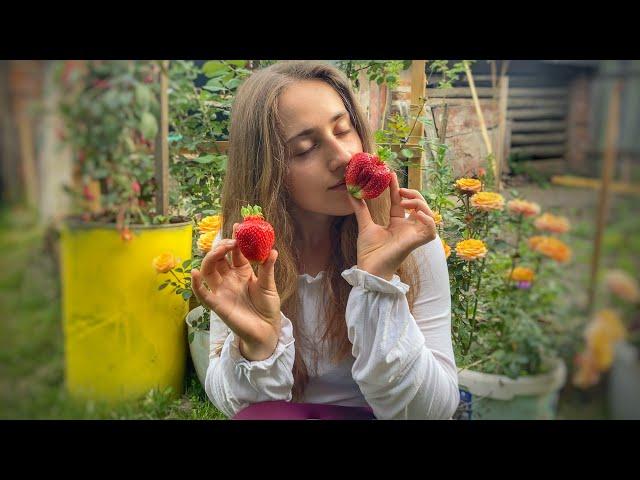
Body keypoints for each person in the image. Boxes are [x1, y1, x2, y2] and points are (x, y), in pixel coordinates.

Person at [190, 61, 459, 420]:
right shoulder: (244, 250)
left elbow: (435, 411)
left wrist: (380, 284)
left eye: (344, 130)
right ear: (266, 170)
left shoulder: (408, 241)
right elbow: (239, 407)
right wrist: (258, 344)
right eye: (305, 148)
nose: (343, 157)